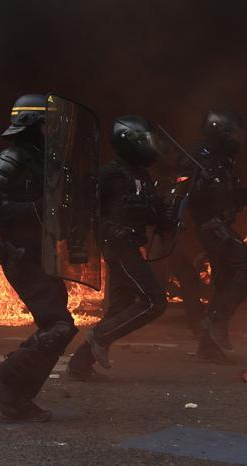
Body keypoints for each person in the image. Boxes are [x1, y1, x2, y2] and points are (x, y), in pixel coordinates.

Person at [0, 94, 78, 422]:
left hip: (42, 251)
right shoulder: (10, 159)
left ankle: (16, 390)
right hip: (20, 253)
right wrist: (33, 210)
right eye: (48, 124)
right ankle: (7, 383)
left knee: (59, 325)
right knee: (58, 325)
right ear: (33, 126)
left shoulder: (45, 161)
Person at [67, 116, 173, 379]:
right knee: (153, 301)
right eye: (147, 141)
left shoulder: (141, 175)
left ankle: (80, 364)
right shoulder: (110, 173)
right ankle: (99, 336)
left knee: (121, 306)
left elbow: (149, 210)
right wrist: (103, 231)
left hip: (130, 244)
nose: (152, 146)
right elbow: (84, 206)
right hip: (117, 244)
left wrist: (165, 214)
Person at [174, 109, 247, 362]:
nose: (240, 139)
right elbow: (181, 195)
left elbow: (229, 200)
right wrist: (200, 185)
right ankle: (215, 320)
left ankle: (208, 348)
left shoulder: (223, 160)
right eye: (235, 133)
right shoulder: (197, 158)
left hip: (221, 224)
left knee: (224, 282)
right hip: (209, 227)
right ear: (221, 132)